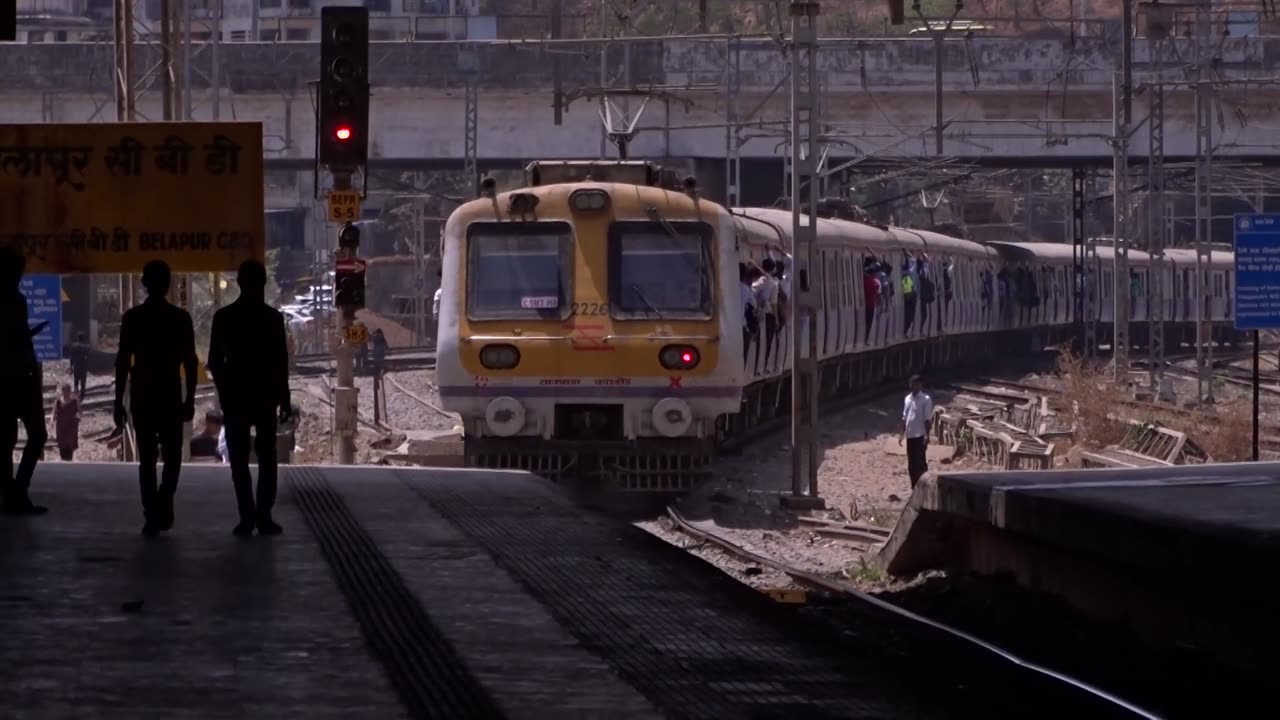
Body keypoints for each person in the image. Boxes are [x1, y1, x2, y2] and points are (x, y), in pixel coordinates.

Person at [208, 259, 292, 537]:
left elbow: (214, 362)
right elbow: (281, 361)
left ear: (239, 283)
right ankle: (264, 515)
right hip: (265, 397)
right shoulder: (273, 318)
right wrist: (284, 398)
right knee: (268, 458)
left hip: (236, 398)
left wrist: (225, 390)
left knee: (239, 459)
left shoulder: (224, 317)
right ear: (264, 283)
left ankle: (246, 517)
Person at [114, 260, 198, 537]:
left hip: (142, 393)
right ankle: (164, 499)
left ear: (144, 284)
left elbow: (123, 361)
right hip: (170, 393)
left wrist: (118, 401)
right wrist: (190, 399)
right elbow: (190, 362)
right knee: (173, 457)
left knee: (147, 459)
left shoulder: (133, 318)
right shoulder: (180, 318)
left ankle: (152, 513)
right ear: (168, 284)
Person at [0, 247, 49, 515]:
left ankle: (10, 494)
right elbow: (15, 340)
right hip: (21, 378)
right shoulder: (16, 301)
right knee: (37, 435)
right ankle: (17, 492)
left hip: (4, 381)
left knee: (5, 440)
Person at [900, 375, 934, 489]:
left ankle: (924, 487)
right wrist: (901, 433)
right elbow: (905, 417)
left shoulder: (926, 399)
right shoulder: (907, 399)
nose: (913, 386)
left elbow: (927, 419)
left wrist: (926, 435)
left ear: (920, 385)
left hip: (920, 435)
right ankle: (914, 486)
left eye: (916, 384)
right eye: (912, 384)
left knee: (920, 463)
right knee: (911, 464)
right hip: (910, 435)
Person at [52, 383, 80, 461]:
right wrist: (52, 421)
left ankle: (69, 461)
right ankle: (63, 460)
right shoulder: (58, 402)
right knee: (62, 445)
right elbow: (54, 412)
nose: (67, 392)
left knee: (70, 445)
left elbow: (80, 411)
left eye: (68, 390)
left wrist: (78, 417)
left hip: (71, 426)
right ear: (62, 391)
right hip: (61, 426)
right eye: (65, 390)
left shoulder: (74, 401)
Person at [67, 332, 91, 400]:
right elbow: (89, 357)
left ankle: (76, 395)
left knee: (76, 382)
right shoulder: (87, 347)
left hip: (76, 366)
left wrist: (71, 367)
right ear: (84, 339)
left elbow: (71, 358)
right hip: (83, 367)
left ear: (77, 338)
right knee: (83, 382)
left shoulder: (73, 346)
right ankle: (82, 396)